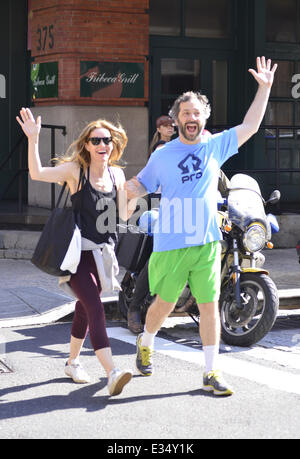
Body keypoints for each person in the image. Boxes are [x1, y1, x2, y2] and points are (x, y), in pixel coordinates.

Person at [125, 56, 277, 396]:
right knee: (163, 304)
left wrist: (264, 89)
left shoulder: (215, 145)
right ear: (177, 118)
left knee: (209, 306)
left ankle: (211, 372)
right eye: (186, 113)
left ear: (204, 118)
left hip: (207, 241)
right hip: (171, 243)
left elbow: (250, 126)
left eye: (197, 114)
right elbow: (141, 185)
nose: (191, 118)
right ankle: (146, 341)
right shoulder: (163, 154)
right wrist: (126, 191)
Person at [16, 108, 138, 396]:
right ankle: (112, 372)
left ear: (113, 144)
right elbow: (37, 173)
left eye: (106, 140)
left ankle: (72, 362)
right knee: (95, 307)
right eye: (95, 141)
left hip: (102, 255)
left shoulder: (117, 174)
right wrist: (33, 139)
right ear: (86, 144)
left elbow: (122, 214)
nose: (101, 146)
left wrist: (133, 196)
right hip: (77, 256)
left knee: (84, 309)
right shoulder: (76, 172)